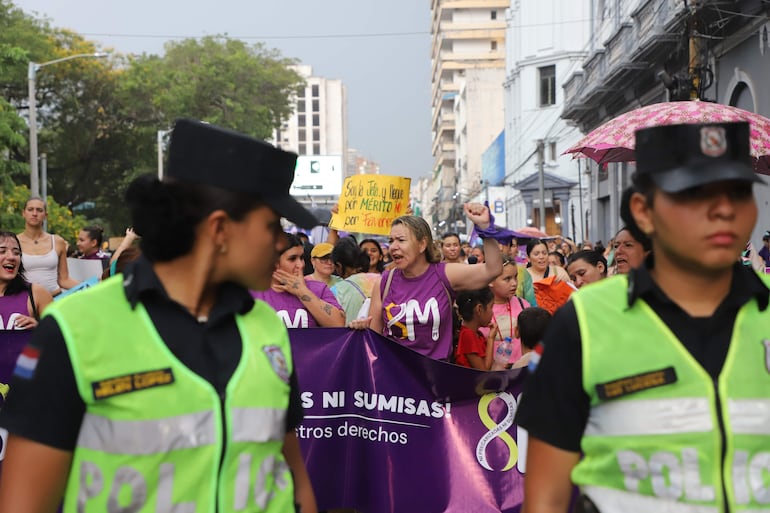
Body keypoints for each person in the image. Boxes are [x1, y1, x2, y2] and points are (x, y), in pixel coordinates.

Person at [0, 119, 318, 513]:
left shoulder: (266, 326)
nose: (280, 242)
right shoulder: (75, 329)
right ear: (219, 229)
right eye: (272, 225)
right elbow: (24, 502)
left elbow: (293, 479)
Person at [515, 121, 768, 513]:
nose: (723, 209)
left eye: (738, 192)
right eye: (694, 193)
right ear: (643, 212)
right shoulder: (584, 322)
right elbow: (546, 498)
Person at [350, 206, 503, 361]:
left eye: (401, 240)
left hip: (435, 379)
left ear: (422, 244)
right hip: (395, 378)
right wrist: (361, 329)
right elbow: (374, 342)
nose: (393, 247)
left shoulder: (444, 274)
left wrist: (485, 228)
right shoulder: (384, 282)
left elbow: (493, 269)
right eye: (391, 241)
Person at [253, 234, 345, 329]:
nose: (300, 265)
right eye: (292, 259)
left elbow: (338, 324)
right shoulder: (253, 294)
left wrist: (302, 292)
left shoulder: (319, 289)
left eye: (301, 258)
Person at [17, 198, 79, 297]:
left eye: (39, 210)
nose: (34, 213)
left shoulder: (57, 241)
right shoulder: (13, 242)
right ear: (23, 213)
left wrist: (92, 287)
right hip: (26, 302)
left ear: (45, 215)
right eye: (30, 209)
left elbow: (64, 280)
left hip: (54, 299)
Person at [480, 256, 530, 366]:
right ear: (490, 281)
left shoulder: (523, 305)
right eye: (507, 279)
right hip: (494, 375)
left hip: (522, 372)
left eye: (515, 277)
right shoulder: (480, 311)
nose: (514, 283)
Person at [330, 237, 380, 324]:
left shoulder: (337, 290)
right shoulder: (380, 279)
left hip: (351, 336)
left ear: (339, 265)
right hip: (378, 336)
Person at [453, 287, 499, 370]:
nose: (492, 312)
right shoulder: (467, 335)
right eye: (491, 307)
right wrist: (491, 339)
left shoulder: (477, 334)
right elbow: (484, 370)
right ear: (479, 309)